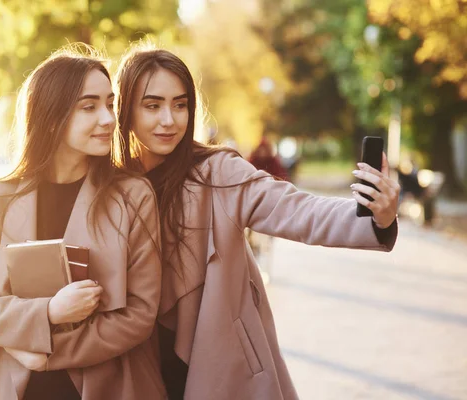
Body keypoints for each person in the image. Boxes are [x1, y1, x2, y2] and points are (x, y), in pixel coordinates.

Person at [114, 45, 399, 400]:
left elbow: (297, 210)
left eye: (180, 104)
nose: (169, 120)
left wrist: (375, 216)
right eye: (152, 105)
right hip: (132, 361)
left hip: (215, 362)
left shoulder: (217, 172)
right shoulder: (109, 184)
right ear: (125, 110)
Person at [0, 47, 166, 399]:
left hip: (113, 386)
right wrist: (48, 312)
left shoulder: (133, 196)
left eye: (110, 104)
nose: (108, 119)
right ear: (51, 117)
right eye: (89, 106)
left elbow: (140, 314)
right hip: (14, 388)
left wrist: (49, 355)